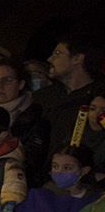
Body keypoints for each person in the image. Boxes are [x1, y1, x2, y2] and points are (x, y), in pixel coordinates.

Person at [39, 35, 104, 176]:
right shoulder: (42, 96)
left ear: (77, 58)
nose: (50, 59)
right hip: (43, 178)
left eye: (57, 54)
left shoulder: (99, 99)